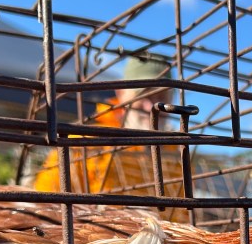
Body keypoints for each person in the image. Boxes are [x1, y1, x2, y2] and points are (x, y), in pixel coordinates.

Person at [33, 53, 186, 199]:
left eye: (161, 97)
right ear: (121, 93)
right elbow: (46, 203)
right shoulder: (83, 141)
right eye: (143, 95)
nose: (150, 107)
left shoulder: (177, 154)